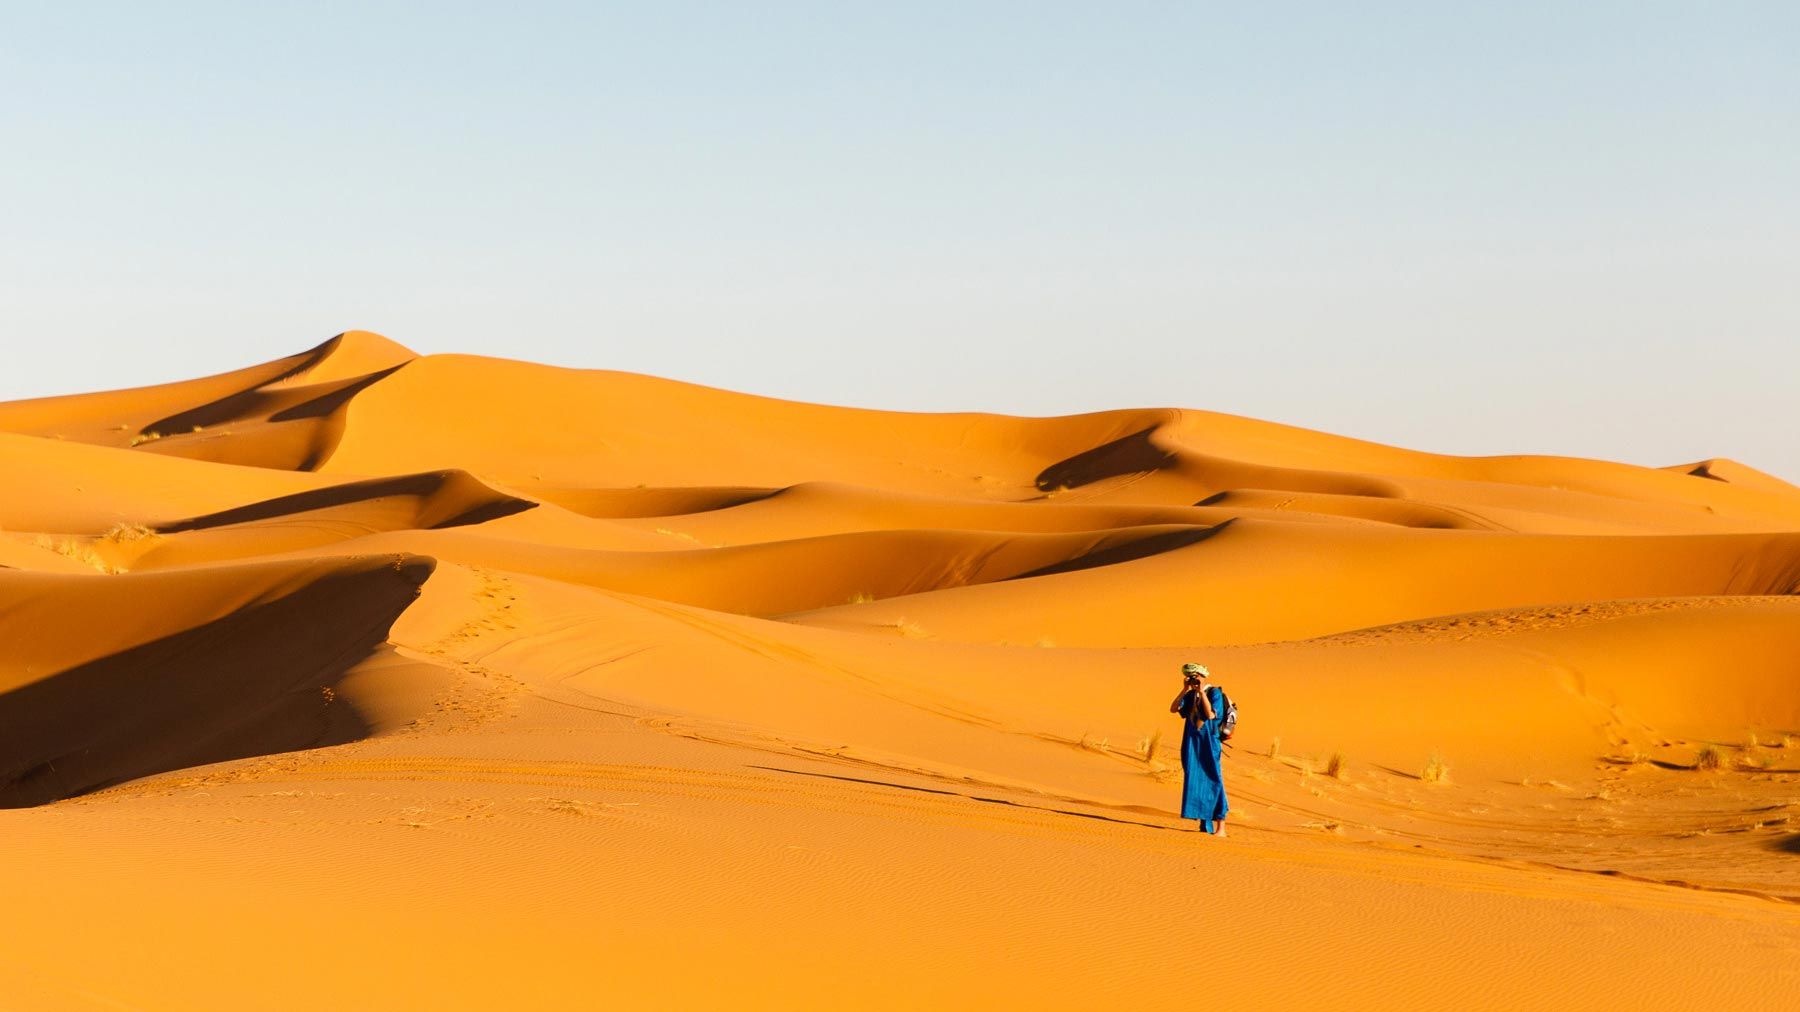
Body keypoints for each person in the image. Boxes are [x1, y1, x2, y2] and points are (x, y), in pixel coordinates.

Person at [1170, 662, 1228, 836]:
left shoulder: (1214, 693)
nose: (1195, 680)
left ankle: (1221, 828)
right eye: (1191, 677)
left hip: (1209, 743)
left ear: (1204, 676)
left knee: (1213, 780)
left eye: (1197, 677)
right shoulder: (1189, 696)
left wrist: (1202, 692)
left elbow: (1210, 715)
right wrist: (1184, 689)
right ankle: (1205, 825)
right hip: (1192, 743)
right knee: (1196, 780)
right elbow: (1173, 709)